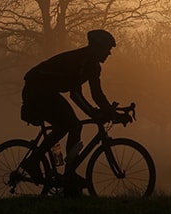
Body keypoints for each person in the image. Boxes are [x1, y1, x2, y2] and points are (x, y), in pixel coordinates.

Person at [18, 29, 130, 193]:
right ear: (97, 47)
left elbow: (97, 94)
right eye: (107, 49)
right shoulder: (81, 61)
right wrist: (95, 113)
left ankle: (67, 175)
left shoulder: (92, 66)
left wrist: (111, 113)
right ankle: (37, 163)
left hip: (48, 91)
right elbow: (75, 94)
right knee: (71, 125)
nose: (109, 53)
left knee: (68, 126)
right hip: (37, 90)